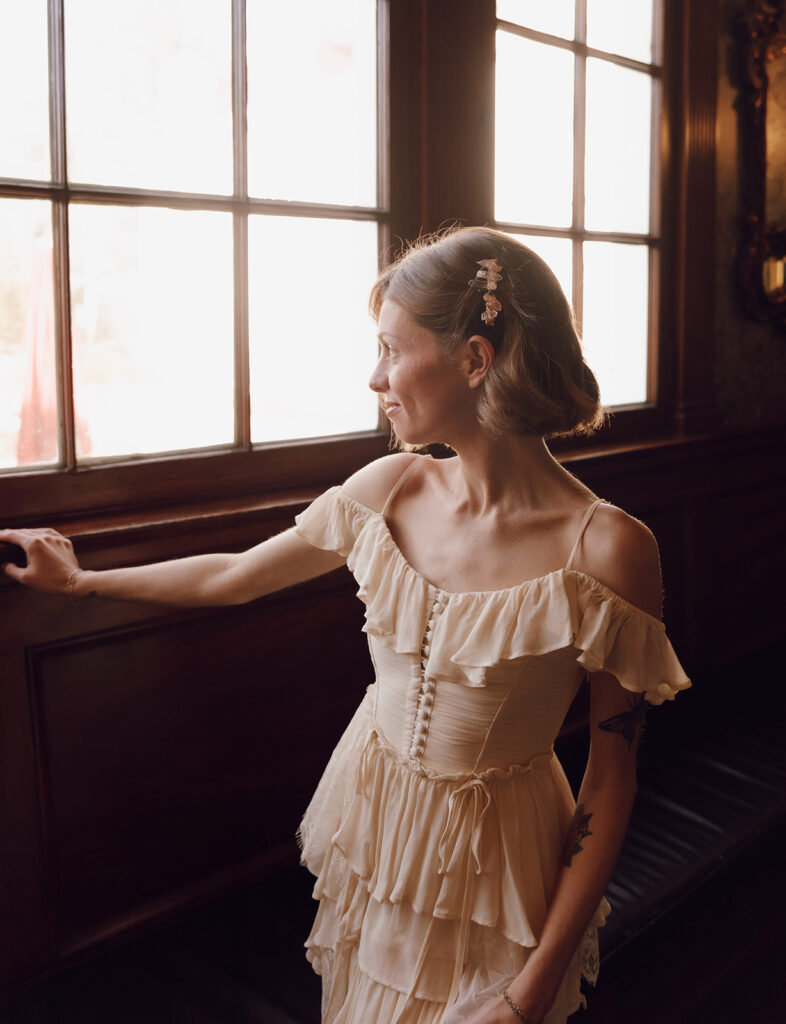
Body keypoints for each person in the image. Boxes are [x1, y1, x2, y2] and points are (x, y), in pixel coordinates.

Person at [0, 226, 690, 1024]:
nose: (375, 378)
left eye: (392, 350)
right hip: (374, 831)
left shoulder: (609, 549)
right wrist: (82, 583)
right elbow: (235, 575)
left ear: (474, 359)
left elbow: (611, 778)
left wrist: (526, 992)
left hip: (496, 870)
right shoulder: (390, 487)